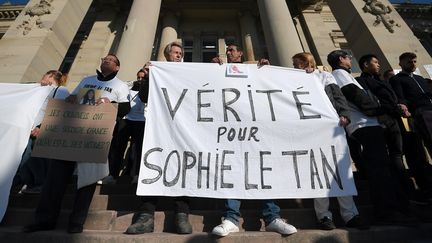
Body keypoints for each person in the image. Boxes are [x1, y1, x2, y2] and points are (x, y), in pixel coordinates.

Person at [23, 54, 131, 234]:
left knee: (87, 181)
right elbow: (70, 101)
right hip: (71, 133)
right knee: (55, 178)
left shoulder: (120, 86)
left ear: (118, 67)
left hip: (94, 136)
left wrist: (110, 102)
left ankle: (76, 222)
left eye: (111, 60)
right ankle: (45, 220)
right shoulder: (86, 80)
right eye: (105, 58)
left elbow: (126, 108)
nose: (106, 60)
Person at [210, 44, 297, 237]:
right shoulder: (219, 70)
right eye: (228, 50)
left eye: (232, 49)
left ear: (241, 53)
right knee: (231, 172)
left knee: (262, 170)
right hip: (231, 132)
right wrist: (210, 71)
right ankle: (231, 219)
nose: (229, 52)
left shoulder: (256, 71)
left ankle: (272, 218)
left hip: (257, 132)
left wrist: (267, 72)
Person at [327, 50, 417, 226]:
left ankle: (393, 208)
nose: (350, 61)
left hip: (369, 124)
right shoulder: (340, 74)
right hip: (363, 125)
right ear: (341, 59)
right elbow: (356, 96)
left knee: (381, 166)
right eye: (348, 58)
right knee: (379, 168)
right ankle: (386, 211)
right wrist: (384, 109)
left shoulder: (344, 74)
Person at [292, 52, 368, 230]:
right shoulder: (292, 78)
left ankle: (350, 215)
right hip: (309, 128)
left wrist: (344, 114)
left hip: (331, 126)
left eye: (296, 63)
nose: (294, 66)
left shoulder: (324, 75)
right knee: (317, 170)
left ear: (304, 62)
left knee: (341, 169)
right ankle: (324, 216)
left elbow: (337, 96)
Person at [125, 42, 193, 235]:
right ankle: (146, 216)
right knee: (152, 167)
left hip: (183, 129)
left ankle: (181, 214)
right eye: (175, 53)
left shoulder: (189, 72)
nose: (178, 56)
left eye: (181, 53)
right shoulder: (157, 71)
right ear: (167, 55)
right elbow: (145, 97)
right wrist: (148, 76)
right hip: (158, 128)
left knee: (183, 167)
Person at [356, 54, 429, 205]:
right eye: (375, 62)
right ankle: (405, 191)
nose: (378, 65)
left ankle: (415, 190)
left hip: (396, 120)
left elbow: (394, 97)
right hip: (383, 121)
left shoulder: (381, 81)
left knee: (407, 152)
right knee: (395, 156)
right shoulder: (362, 81)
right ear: (365, 65)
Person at [14, 70, 69, 194]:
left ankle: (36, 184)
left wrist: (41, 126)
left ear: (50, 76)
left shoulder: (59, 90)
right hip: (27, 130)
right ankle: (24, 183)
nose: (41, 78)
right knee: (23, 158)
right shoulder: (39, 89)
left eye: (44, 75)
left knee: (35, 160)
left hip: (42, 131)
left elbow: (59, 110)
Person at [103, 69, 146, 184]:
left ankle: (137, 175)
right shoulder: (127, 88)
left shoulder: (148, 89)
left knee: (138, 149)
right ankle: (112, 174)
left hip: (141, 121)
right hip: (126, 120)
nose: (140, 80)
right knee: (118, 148)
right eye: (139, 78)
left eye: (143, 78)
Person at [390, 52, 432, 159]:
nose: (413, 64)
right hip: (421, 113)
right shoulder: (397, 79)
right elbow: (400, 96)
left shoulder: (421, 78)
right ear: (401, 63)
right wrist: (403, 106)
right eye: (409, 62)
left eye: (414, 61)